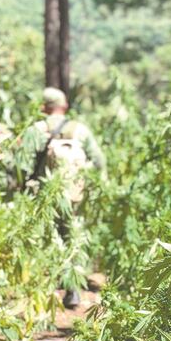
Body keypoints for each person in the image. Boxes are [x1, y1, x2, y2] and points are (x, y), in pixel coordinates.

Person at [23, 87, 105, 308]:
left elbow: (21, 165)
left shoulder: (36, 129)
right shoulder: (80, 130)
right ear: (65, 106)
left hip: (45, 195)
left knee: (46, 239)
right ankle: (73, 290)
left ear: (43, 108)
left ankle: (44, 294)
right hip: (74, 195)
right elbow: (99, 160)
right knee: (73, 236)